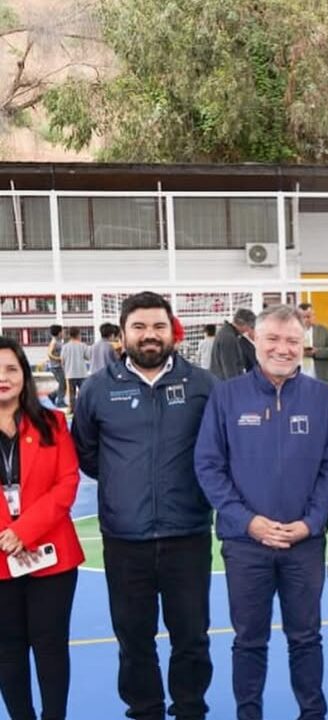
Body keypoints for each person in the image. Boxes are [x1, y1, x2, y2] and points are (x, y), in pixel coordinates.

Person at [73, 291, 217, 720]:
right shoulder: (98, 389)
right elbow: (88, 453)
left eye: (157, 326)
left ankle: (190, 708)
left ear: (171, 331)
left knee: (191, 637)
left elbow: (218, 450)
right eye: (139, 327)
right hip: (125, 539)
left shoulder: (203, 385)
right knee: (134, 639)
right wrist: (126, 486)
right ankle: (145, 710)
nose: (149, 335)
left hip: (187, 534)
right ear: (123, 334)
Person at [195, 304, 328, 720]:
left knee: (306, 637)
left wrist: (310, 523)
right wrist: (249, 522)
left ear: (303, 344)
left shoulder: (322, 398)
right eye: (273, 339)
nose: (283, 348)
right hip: (245, 545)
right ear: (254, 341)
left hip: (303, 544)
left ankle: (312, 713)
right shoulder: (226, 395)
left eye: (292, 341)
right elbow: (208, 465)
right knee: (248, 640)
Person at [0, 337, 84, 720]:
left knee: (51, 646)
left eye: (11, 369)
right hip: (1, 558)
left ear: (24, 375)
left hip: (51, 556)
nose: (3, 377)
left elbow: (66, 483)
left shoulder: (52, 422)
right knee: (7, 649)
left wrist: (24, 531)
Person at [209, 308, 257, 380]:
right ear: (244, 324)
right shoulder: (228, 338)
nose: (247, 330)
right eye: (249, 327)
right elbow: (230, 368)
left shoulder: (227, 334)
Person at [298, 303, 328, 383]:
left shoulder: (323, 331)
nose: (305, 319)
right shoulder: (291, 332)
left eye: (308, 316)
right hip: (297, 377)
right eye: (302, 317)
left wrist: (316, 352)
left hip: (320, 377)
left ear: (313, 316)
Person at [59, 328, 90, 413]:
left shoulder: (65, 346)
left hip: (70, 373)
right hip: (82, 373)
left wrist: (65, 370)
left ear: (70, 335)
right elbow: (88, 357)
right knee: (83, 393)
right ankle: (84, 409)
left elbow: (62, 361)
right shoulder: (83, 345)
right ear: (78, 334)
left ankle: (72, 409)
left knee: (71, 394)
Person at [45, 325, 66, 409]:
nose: (63, 333)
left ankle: (52, 395)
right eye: (62, 331)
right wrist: (58, 358)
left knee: (63, 384)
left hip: (59, 366)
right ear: (59, 332)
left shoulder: (59, 341)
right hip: (55, 367)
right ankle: (60, 401)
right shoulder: (54, 342)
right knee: (62, 384)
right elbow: (49, 353)